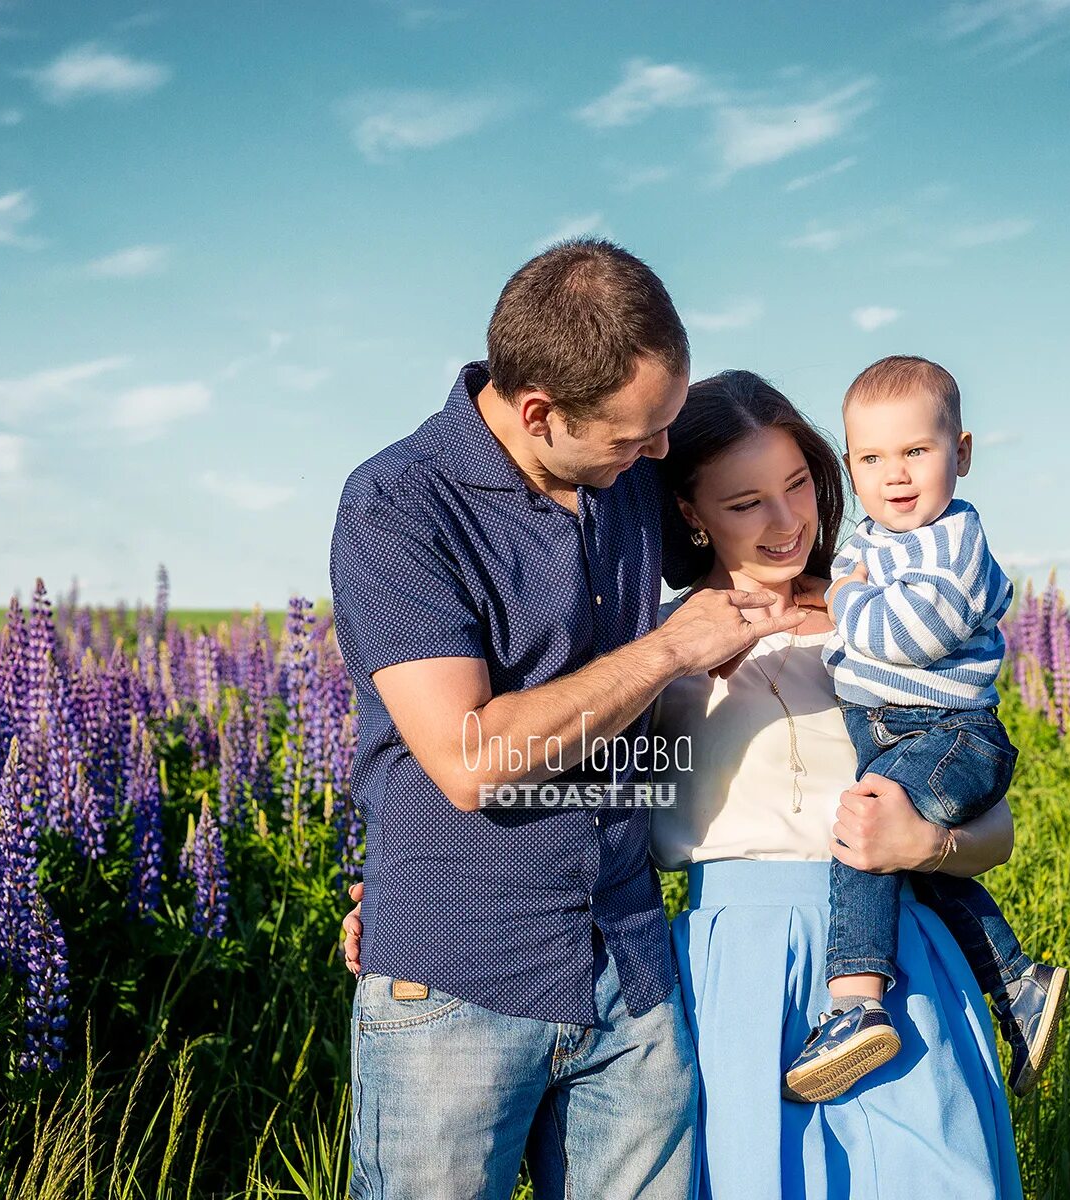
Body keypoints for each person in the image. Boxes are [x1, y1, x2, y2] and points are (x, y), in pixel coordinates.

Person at [328, 238, 806, 1200]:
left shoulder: (623, 467)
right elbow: (471, 759)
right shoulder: (396, 505)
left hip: (630, 966)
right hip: (458, 975)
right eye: (635, 436)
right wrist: (669, 647)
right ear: (539, 411)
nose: (659, 455)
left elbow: (761, 528)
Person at [648, 369, 1024, 1197]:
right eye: (745, 503)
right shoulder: (657, 653)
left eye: (797, 486)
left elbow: (996, 828)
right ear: (691, 514)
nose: (787, 523)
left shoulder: (885, 625)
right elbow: (577, 824)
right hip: (733, 974)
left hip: (893, 964)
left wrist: (928, 843)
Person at [783, 356, 1069, 1103]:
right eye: (873, 458)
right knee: (917, 868)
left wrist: (845, 604)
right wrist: (841, 594)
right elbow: (848, 603)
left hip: (951, 732)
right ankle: (1016, 980)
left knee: (864, 825)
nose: (896, 475)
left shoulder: (952, 543)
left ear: (962, 454)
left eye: (916, 451)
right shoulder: (873, 544)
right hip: (899, 731)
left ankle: (855, 1004)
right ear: (850, 468)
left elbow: (907, 632)